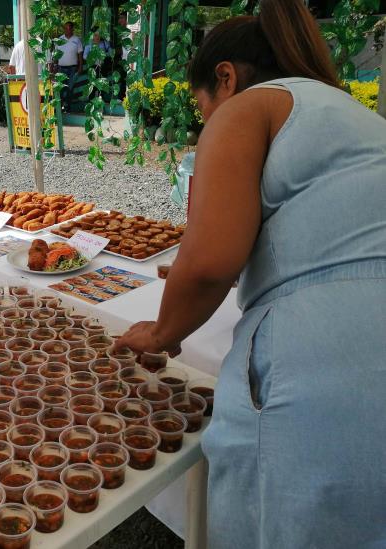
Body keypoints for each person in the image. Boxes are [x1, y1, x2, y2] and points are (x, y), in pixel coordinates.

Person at [113, 0, 386, 547]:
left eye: (202, 109)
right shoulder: (353, 114)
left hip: (323, 370)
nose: (206, 123)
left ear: (226, 77)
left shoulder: (250, 107)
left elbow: (210, 260)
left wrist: (162, 334)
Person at [55, 21, 83, 111]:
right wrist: (54, 66)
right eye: (65, 28)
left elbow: (80, 54)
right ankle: (60, 106)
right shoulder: (59, 39)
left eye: (69, 28)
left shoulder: (77, 40)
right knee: (61, 88)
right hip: (61, 68)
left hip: (72, 68)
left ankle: (68, 107)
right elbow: (56, 54)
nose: (67, 30)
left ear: (72, 29)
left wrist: (80, 66)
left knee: (70, 88)